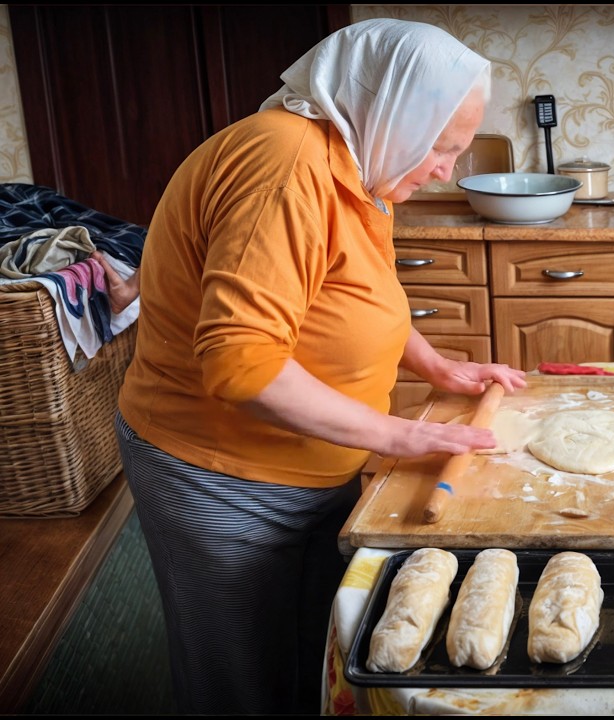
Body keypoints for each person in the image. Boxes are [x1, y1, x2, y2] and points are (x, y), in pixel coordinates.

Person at [112, 18, 525, 714]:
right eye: (441, 148)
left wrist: (433, 364)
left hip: (310, 462)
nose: (445, 170)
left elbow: (353, 294)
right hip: (223, 471)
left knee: (307, 647)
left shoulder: (362, 165)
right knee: (238, 675)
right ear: (395, 113)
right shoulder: (285, 167)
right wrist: (399, 436)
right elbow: (242, 364)